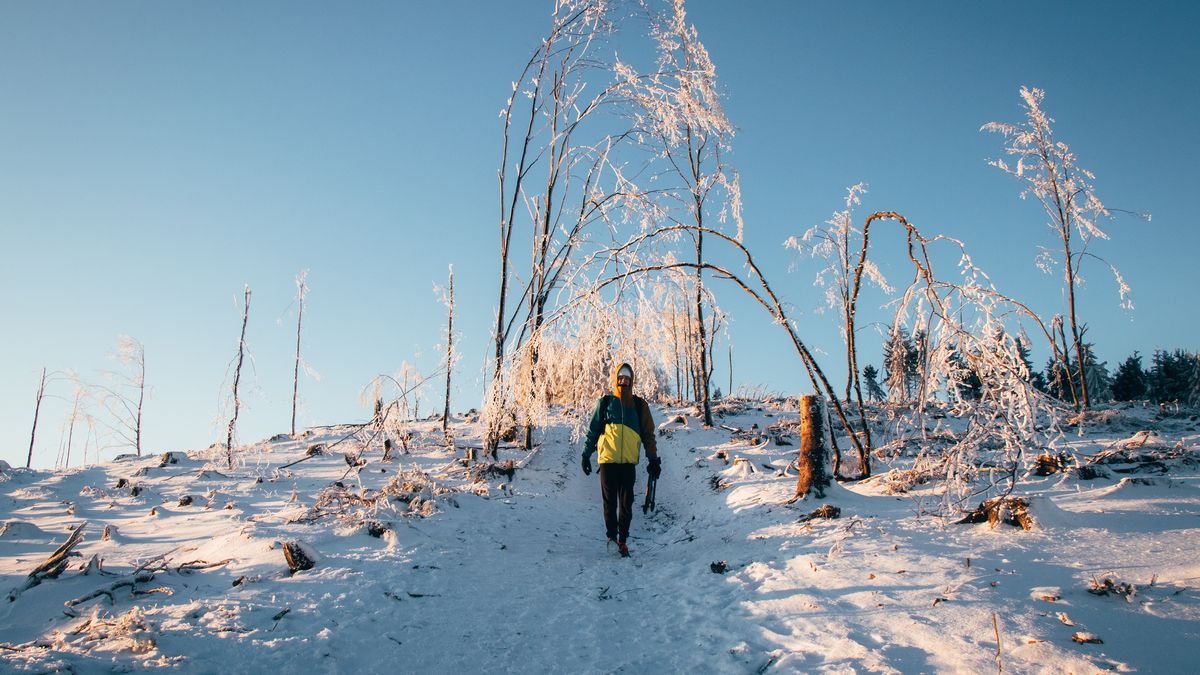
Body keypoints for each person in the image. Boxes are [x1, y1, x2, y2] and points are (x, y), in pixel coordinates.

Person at [581, 362, 661, 557]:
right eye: (620, 378)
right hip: (608, 461)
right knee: (610, 502)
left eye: (627, 378)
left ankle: (623, 540)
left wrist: (653, 459)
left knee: (626, 503)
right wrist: (586, 454)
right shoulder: (606, 403)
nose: (623, 381)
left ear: (632, 381)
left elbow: (648, 434)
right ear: (615, 380)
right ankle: (612, 538)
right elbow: (593, 431)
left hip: (628, 464)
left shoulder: (640, 405)